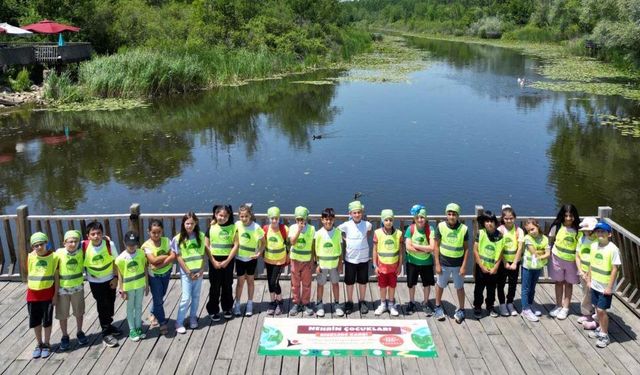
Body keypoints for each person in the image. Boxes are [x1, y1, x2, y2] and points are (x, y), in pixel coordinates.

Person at [83, 221, 120, 347]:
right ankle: (105, 334)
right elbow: (68, 244)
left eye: (99, 233)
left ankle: (109, 325)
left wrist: (116, 278)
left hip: (110, 279)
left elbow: (116, 261)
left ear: (103, 234)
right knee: (102, 304)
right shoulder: (83, 246)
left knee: (110, 303)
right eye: (93, 234)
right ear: (88, 236)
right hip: (95, 282)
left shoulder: (109, 244)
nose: (96, 236)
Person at [433, 203, 469, 323]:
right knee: (440, 285)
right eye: (449, 214)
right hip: (443, 263)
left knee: (459, 287)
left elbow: (466, 248)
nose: (451, 216)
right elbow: (436, 246)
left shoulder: (464, 229)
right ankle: (437, 307)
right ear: (446, 215)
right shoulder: (441, 226)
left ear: (458, 215)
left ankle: (462, 309)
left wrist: (464, 266)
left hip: (458, 265)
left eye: (454, 214)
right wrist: (437, 264)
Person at [587, 221, 621, 348]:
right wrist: (589, 280)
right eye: (598, 231)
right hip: (595, 283)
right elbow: (591, 263)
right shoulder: (594, 245)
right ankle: (600, 328)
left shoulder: (613, 249)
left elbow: (615, 269)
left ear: (609, 234)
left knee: (601, 310)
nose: (600, 233)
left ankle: (605, 334)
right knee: (596, 307)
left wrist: (609, 287)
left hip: (605, 286)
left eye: (603, 231)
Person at [172, 212, 206, 334]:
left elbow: (203, 255)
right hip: (187, 273)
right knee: (186, 298)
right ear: (183, 224)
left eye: (192, 223)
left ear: (196, 223)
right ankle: (179, 322)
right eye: (187, 223)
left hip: (199, 272)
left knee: (196, 297)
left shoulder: (201, 236)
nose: (189, 226)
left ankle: (193, 318)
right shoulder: (177, 238)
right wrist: (188, 272)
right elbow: (179, 257)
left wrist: (202, 270)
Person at [548, 204, 582, 320]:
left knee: (568, 283)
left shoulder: (579, 230)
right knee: (558, 282)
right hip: (557, 258)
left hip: (572, 261)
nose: (568, 218)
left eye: (571, 216)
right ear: (562, 215)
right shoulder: (557, 226)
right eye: (566, 215)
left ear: (574, 216)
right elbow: (550, 239)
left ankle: (566, 307)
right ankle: (558, 305)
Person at [27, 232, 58, 359]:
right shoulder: (30, 256)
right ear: (32, 247)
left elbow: (56, 277)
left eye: (41, 244)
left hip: (47, 294)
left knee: (47, 320)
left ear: (47, 244)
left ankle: (46, 343)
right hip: (32, 295)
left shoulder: (54, 257)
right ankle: (38, 343)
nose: (39, 247)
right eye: (35, 245)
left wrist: (55, 295)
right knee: (35, 321)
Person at [55, 230, 88, 351]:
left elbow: (89, 241)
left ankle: (79, 331)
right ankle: (64, 335)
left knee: (79, 311)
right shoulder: (58, 253)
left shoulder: (81, 252)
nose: (73, 244)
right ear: (64, 243)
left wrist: (105, 239)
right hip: (62, 289)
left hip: (77, 287)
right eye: (70, 242)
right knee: (62, 314)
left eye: (75, 241)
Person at [338, 201, 372, 315]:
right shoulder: (346, 225)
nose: (357, 215)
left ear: (361, 213)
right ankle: (349, 301)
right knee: (349, 282)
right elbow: (337, 231)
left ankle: (362, 301)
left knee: (363, 281)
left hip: (363, 258)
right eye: (354, 213)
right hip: (350, 259)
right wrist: (345, 239)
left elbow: (368, 232)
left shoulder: (367, 224)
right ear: (350, 214)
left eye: (359, 212)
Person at [142, 219, 175, 335]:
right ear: (148, 232)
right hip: (154, 276)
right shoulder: (146, 245)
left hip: (166, 273)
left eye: (159, 232)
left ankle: (152, 312)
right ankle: (162, 322)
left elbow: (173, 256)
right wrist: (167, 255)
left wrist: (161, 263)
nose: (156, 235)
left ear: (162, 231)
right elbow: (152, 260)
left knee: (161, 295)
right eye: (153, 232)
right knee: (158, 299)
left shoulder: (167, 241)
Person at [206, 205, 238, 321]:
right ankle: (213, 310)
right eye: (220, 215)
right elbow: (206, 245)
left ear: (229, 216)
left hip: (228, 261)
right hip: (214, 261)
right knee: (214, 286)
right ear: (215, 214)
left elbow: (236, 245)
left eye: (225, 216)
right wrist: (213, 261)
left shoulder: (233, 227)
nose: (222, 218)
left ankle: (227, 308)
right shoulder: (211, 227)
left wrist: (227, 261)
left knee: (227, 285)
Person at [116, 231, 149, 342]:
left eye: (134, 244)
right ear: (124, 243)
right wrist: (121, 289)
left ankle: (139, 327)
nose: (132, 246)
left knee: (139, 306)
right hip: (128, 287)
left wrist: (147, 284)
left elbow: (145, 268)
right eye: (129, 244)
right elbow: (120, 274)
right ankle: (132, 329)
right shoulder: (121, 258)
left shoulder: (141, 254)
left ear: (137, 244)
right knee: (130, 308)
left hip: (140, 284)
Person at [233, 203, 265, 317]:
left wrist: (259, 254)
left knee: (250, 281)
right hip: (239, 258)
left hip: (251, 259)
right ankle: (237, 304)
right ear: (239, 216)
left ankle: (250, 303)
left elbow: (263, 243)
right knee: (240, 282)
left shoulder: (256, 227)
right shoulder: (236, 225)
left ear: (250, 215)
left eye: (246, 216)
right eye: (242, 216)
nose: (244, 219)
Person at [472, 210, 504, 319]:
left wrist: (495, 267)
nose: (489, 223)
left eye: (491, 221)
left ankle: (490, 306)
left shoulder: (499, 235)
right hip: (481, 267)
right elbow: (475, 250)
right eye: (486, 221)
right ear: (483, 223)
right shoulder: (480, 233)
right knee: (479, 289)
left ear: (495, 222)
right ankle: (477, 306)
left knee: (491, 289)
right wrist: (481, 266)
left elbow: (500, 253)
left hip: (493, 269)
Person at [404, 204, 435, 315]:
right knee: (411, 284)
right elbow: (408, 247)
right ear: (414, 219)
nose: (420, 220)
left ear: (425, 218)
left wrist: (416, 247)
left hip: (426, 262)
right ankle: (411, 302)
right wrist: (424, 249)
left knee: (426, 284)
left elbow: (432, 248)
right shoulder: (410, 229)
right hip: (412, 262)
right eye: (417, 218)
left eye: (422, 217)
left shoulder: (430, 229)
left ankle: (425, 302)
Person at [314, 208, 344, 317]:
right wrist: (316, 264)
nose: (328, 221)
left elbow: (340, 250)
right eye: (326, 219)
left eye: (330, 219)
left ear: (334, 220)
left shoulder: (338, 233)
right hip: (322, 264)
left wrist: (340, 264)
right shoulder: (318, 234)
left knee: (335, 284)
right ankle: (319, 304)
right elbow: (315, 249)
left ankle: (337, 304)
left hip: (334, 264)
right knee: (320, 284)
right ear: (322, 220)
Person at [373, 209, 403, 317]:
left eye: (390, 220)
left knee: (392, 286)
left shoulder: (398, 233)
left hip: (394, 267)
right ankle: (382, 304)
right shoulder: (377, 233)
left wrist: (400, 266)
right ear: (382, 221)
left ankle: (391, 304)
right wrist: (375, 265)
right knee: (382, 286)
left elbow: (400, 251)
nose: (388, 222)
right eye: (386, 220)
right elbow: (375, 250)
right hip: (381, 267)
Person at [520, 219, 550, 322]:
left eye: (532, 229)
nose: (531, 232)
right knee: (525, 288)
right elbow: (534, 253)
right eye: (528, 230)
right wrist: (542, 254)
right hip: (528, 267)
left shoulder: (545, 238)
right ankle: (525, 309)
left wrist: (542, 255)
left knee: (532, 287)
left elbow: (548, 253)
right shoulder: (527, 238)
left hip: (537, 267)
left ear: (538, 226)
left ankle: (530, 304)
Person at [496, 205, 524, 316]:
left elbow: (520, 248)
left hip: (515, 262)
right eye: (506, 218)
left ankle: (510, 303)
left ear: (515, 218)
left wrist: (515, 263)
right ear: (503, 219)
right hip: (503, 262)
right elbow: (499, 248)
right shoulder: (500, 230)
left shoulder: (519, 230)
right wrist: (505, 262)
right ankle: (502, 304)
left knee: (513, 284)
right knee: (501, 284)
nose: (509, 220)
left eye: (511, 218)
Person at [289, 206, 315, 316]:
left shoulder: (312, 228)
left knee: (306, 284)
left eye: (302, 219)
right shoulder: (293, 228)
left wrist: (313, 259)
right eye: (298, 219)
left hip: (307, 261)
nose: (300, 221)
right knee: (295, 284)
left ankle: (305, 303)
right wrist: (299, 230)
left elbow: (313, 245)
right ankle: (296, 303)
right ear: (295, 219)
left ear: (306, 218)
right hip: (295, 260)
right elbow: (292, 242)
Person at [263, 207, 288, 316]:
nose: (274, 220)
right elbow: (261, 242)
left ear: (279, 218)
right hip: (268, 259)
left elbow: (289, 243)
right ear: (269, 218)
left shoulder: (284, 229)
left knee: (274, 282)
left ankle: (280, 301)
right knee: (270, 282)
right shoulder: (265, 229)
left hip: (280, 260)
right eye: (272, 218)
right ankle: (272, 302)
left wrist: (289, 256)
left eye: (276, 218)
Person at [577, 217, 598, 328]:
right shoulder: (582, 239)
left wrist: (588, 274)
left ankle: (596, 316)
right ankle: (586, 313)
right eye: (586, 230)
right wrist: (580, 270)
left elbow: (594, 259)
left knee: (594, 294)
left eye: (591, 230)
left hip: (594, 273)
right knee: (585, 292)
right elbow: (577, 256)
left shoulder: (597, 241)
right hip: (583, 271)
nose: (588, 232)